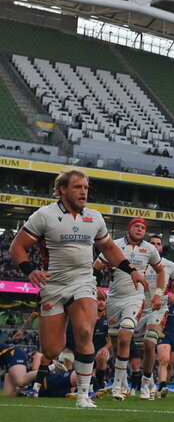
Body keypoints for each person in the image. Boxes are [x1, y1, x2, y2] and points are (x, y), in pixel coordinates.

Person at [8, 169, 147, 408]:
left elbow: (110, 249)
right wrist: (30, 270)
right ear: (62, 189)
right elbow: (17, 247)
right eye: (78, 187)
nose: (84, 191)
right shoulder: (44, 215)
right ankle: (57, 365)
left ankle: (83, 395)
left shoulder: (94, 217)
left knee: (84, 332)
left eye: (86, 187)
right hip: (53, 285)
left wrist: (131, 269)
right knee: (52, 349)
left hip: (84, 281)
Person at [94, 216, 165, 401]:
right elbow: (97, 266)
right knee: (118, 345)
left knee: (126, 336)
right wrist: (96, 285)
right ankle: (123, 383)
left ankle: (117, 387)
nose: (140, 229)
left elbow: (160, 270)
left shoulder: (149, 249)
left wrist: (158, 293)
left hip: (135, 298)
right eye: (137, 226)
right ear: (129, 228)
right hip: (114, 299)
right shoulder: (114, 245)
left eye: (143, 227)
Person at [137, 232, 174, 400]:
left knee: (149, 344)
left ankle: (145, 384)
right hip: (138, 307)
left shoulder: (169, 265)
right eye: (152, 243)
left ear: (161, 248)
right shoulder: (139, 262)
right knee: (140, 350)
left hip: (159, 309)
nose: (155, 246)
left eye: (158, 244)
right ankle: (150, 383)